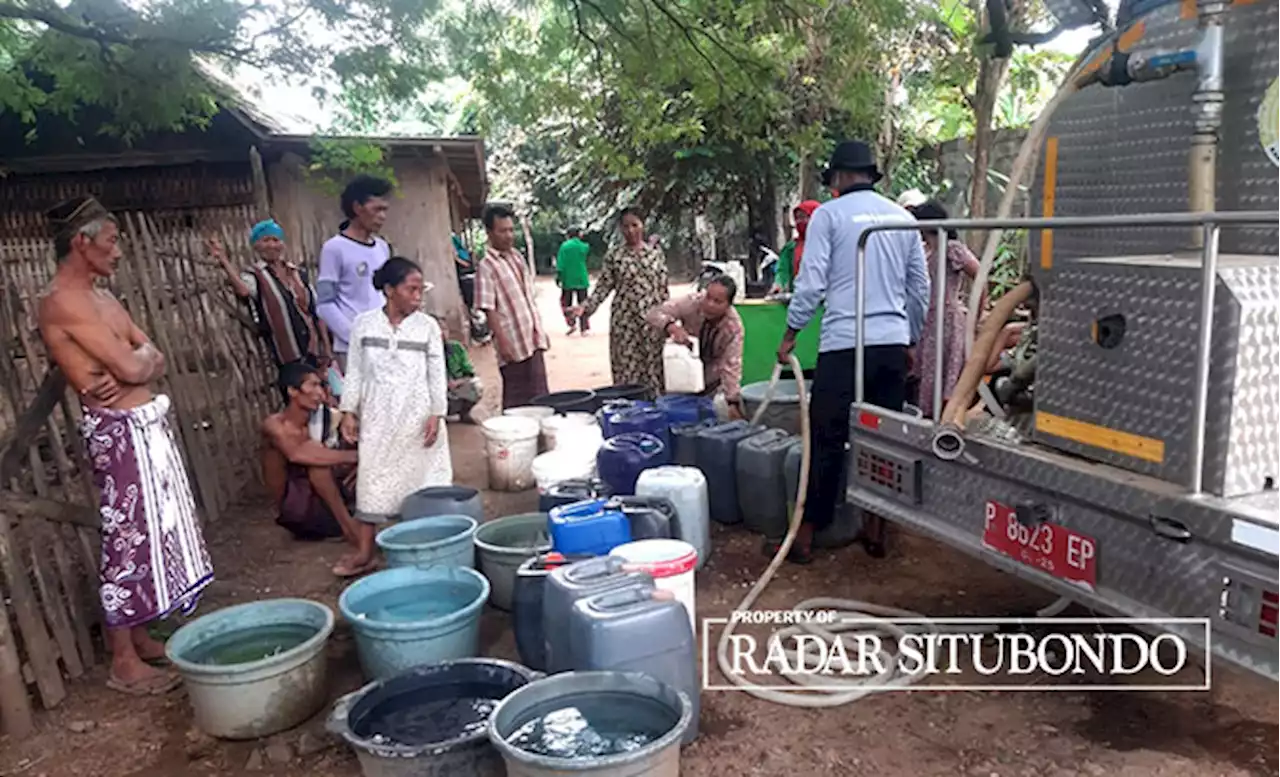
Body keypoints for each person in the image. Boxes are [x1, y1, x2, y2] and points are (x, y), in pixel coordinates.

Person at [37, 195, 214, 696]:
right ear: (82, 242)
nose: (119, 252)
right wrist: (139, 359)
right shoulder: (61, 302)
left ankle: (141, 634)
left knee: (156, 531)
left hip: (145, 424)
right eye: (111, 241)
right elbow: (138, 364)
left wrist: (141, 359)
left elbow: (149, 356)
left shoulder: (104, 299)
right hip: (118, 432)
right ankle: (122, 660)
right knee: (128, 541)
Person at [778, 140, 930, 564]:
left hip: (843, 344)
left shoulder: (828, 216)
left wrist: (791, 333)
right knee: (882, 438)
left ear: (841, 178)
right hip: (889, 343)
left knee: (826, 438)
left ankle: (807, 535)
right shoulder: (902, 218)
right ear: (869, 175)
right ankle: (876, 527)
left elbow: (811, 284)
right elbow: (920, 288)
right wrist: (910, 338)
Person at [339, 257, 452, 528]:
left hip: (418, 416)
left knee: (423, 478)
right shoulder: (364, 325)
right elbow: (355, 370)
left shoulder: (427, 327)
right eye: (411, 290)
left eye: (420, 290)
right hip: (378, 418)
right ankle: (366, 551)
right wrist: (348, 411)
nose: (418, 297)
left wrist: (437, 414)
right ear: (390, 290)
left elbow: (437, 374)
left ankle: (421, 537)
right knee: (373, 481)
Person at [261, 364, 374, 576]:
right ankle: (351, 531)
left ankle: (360, 518)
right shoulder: (275, 425)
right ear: (292, 391)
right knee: (317, 463)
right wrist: (358, 458)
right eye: (312, 386)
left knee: (342, 450)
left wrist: (358, 457)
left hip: (321, 505)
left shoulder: (322, 420)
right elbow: (297, 454)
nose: (319, 393)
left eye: (321, 386)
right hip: (298, 512)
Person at [208, 220, 332, 394]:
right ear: (256, 246)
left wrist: (326, 347)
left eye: (276, 240)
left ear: (282, 243)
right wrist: (223, 261)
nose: (272, 245)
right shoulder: (255, 275)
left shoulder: (296, 272)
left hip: (314, 350)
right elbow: (243, 291)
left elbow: (316, 311)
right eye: (265, 240)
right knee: (298, 400)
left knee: (323, 398)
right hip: (287, 353)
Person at [573, 208, 670, 398]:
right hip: (625, 325)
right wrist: (585, 308)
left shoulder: (655, 255)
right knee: (627, 371)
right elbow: (603, 287)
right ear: (620, 229)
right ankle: (629, 413)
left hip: (652, 324)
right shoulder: (614, 256)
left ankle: (655, 413)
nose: (631, 230)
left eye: (635, 225)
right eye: (625, 226)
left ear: (643, 225)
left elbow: (663, 290)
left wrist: (669, 321)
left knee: (654, 370)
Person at [906, 200, 983, 418]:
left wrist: (975, 317)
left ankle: (946, 417)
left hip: (947, 318)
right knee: (929, 374)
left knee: (946, 372)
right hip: (929, 321)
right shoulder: (928, 251)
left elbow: (980, 276)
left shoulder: (951, 249)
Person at [475, 203, 550, 408]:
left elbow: (528, 299)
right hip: (512, 342)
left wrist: (540, 330)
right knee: (517, 400)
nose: (508, 235)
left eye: (510, 230)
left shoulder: (517, 257)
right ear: (489, 233)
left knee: (541, 395)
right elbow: (488, 308)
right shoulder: (487, 267)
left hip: (532, 339)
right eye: (502, 231)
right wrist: (502, 341)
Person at [317, 175, 394, 374]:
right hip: (353, 348)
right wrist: (356, 336)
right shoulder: (334, 249)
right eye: (376, 209)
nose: (383, 216)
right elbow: (325, 303)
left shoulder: (382, 248)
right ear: (358, 208)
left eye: (385, 210)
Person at [645, 274, 746, 419]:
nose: (710, 304)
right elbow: (653, 313)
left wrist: (732, 402)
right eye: (708, 297)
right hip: (682, 374)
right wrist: (671, 326)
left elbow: (732, 366)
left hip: (711, 380)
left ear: (728, 305)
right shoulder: (692, 302)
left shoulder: (733, 328)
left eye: (718, 301)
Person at [436, 315, 484, 422]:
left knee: (476, 385)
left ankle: (465, 413)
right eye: (438, 331)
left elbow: (470, 373)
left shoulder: (457, 348)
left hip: (455, 388)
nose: (442, 334)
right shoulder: (426, 353)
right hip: (437, 392)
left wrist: (458, 382)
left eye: (444, 329)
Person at [773, 201, 821, 294]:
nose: (800, 222)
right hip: (798, 298)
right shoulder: (791, 247)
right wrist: (779, 285)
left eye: (804, 217)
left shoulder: (830, 244)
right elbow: (783, 270)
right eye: (797, 218)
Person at [556, 227, 591, 336]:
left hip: (568, 279)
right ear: (578, 234)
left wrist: (558, 277)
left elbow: (560, 264)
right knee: (583, 303)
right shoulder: (584, 246)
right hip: (581, 278)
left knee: (566, 303)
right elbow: (586, 251)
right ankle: (584, 328)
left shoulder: (564, 246)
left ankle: (571, 324)